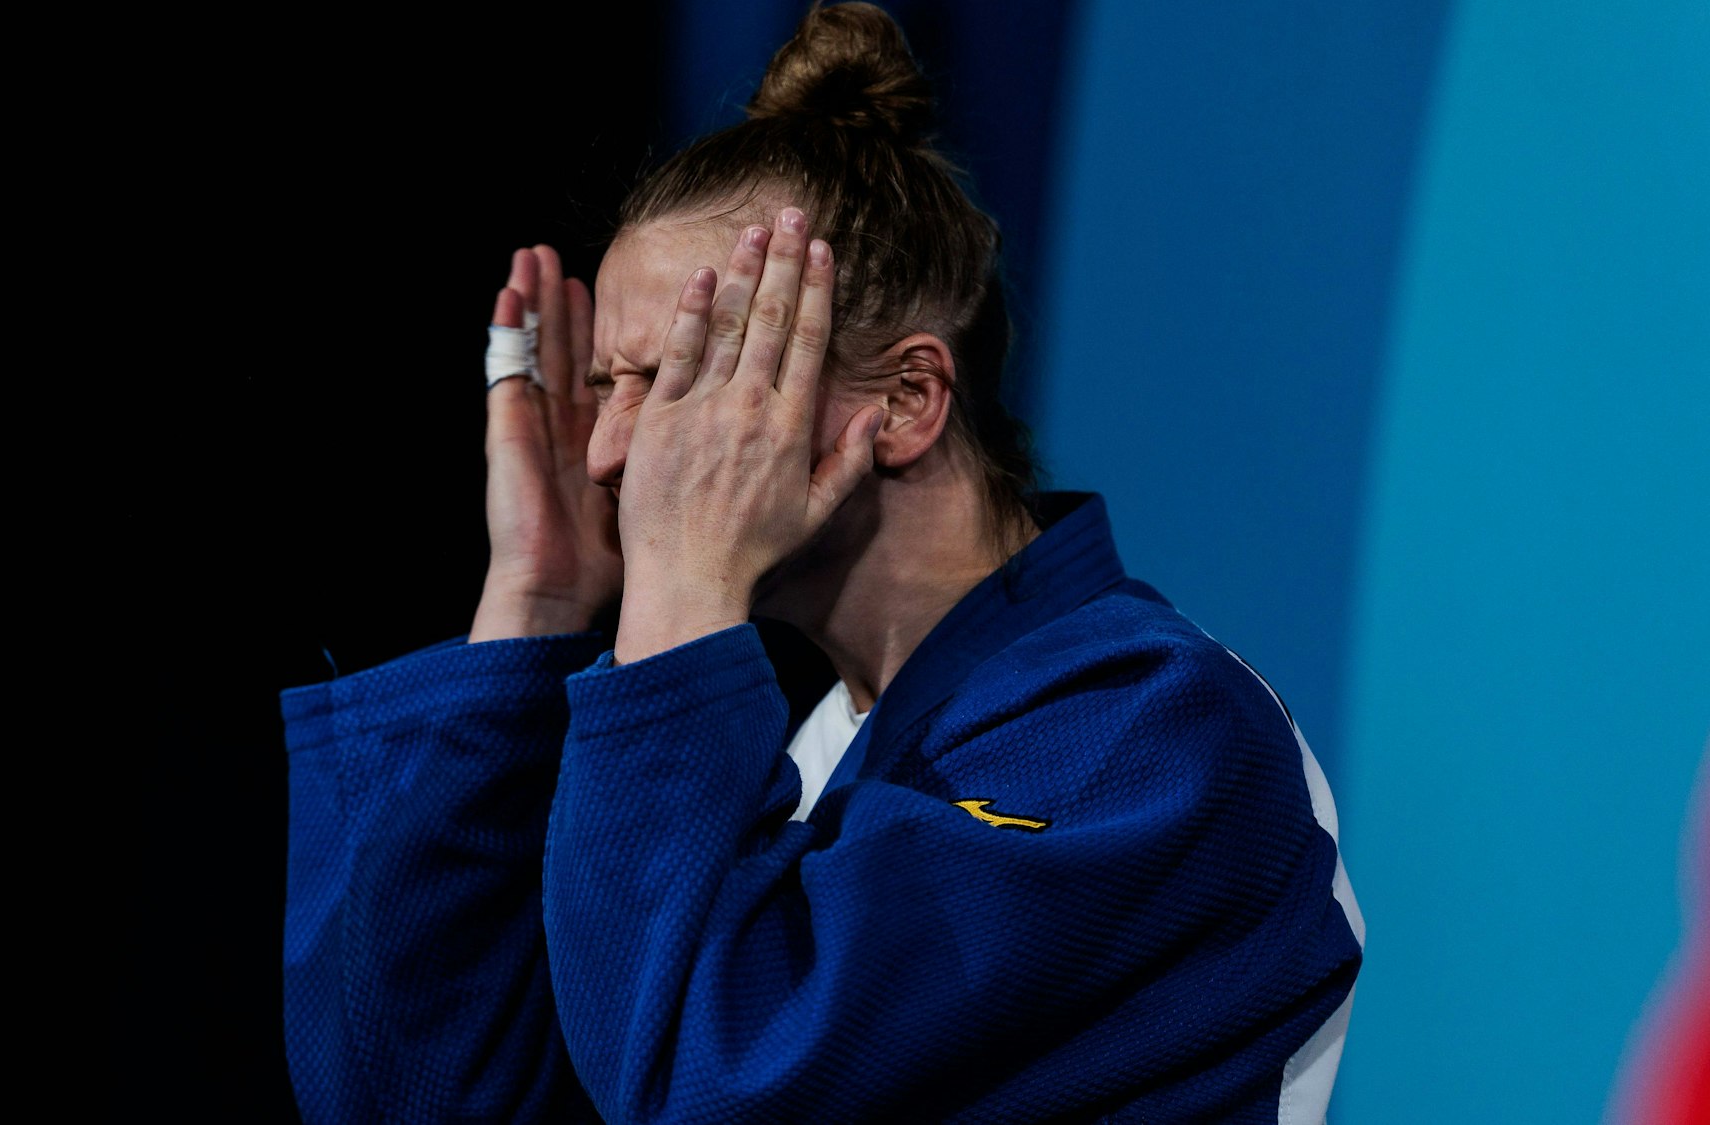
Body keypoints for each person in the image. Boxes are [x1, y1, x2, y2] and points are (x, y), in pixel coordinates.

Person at [282, 3, 1364, 1121]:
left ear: (903, 402)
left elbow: (716, 1088)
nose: (604, 452)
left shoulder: (1153, 734)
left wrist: (681, 590)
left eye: (673, 378)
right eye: (601, 389)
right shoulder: (811, 753)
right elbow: (403, 1097)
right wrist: (534, 600)